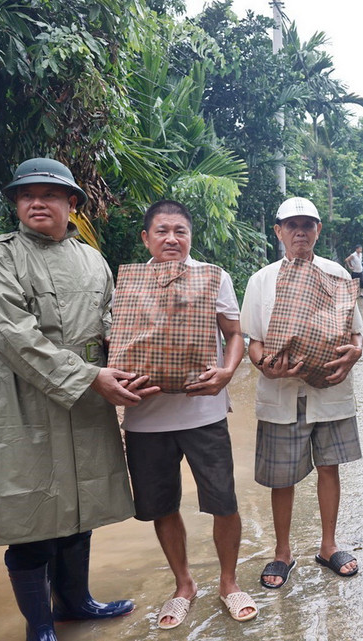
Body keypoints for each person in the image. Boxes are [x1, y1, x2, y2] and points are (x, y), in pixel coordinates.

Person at [0, 157, 157, 641]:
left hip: (90, 396)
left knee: (80, 500)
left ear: (71, 204)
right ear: (16, 204)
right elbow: (15, 337)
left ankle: (75, 600)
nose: (36, 202)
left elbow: (117, 323)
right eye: (26, 195)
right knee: (30, 509)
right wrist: (92, 376)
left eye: (49, 195)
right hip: (25, 400)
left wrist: (148, 360)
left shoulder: (92, 260)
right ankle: (40, 624)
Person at [119, 200, 256, 629]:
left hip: (204, 412)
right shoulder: (128, 283)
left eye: (180, 230)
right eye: (162, 231)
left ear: (191, 237)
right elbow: (117, 342)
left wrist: (227, 371)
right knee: (162, 506)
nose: (172, 239)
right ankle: (184, 585)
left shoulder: (214, 277)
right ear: (146, 238)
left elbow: (234, 334)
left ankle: (229, 583)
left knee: (223, 501)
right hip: (146, 418)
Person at [242, 197, 363, 589]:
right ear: (278, 232)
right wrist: (264, 364)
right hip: (282, 392)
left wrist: (354, 353)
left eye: (307, 225)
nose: (300, 232)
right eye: (291, 225)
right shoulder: (262, 280)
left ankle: (329, 546)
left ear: (318, 231)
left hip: (329, 389)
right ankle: (283, 552)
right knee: (283, 477)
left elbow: (356, 334)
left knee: (330, 467)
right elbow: (252, 342)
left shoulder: (337, 275)